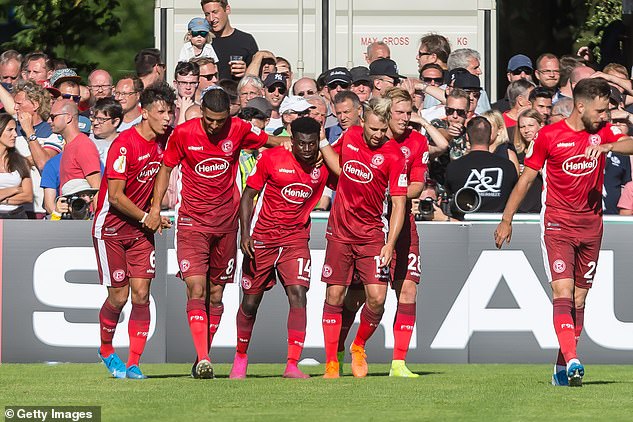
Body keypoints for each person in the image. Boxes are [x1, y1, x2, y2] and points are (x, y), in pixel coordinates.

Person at [494, 78, 633, 387]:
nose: (604, 116)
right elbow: (527, 179)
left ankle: (562, 366)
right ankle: (573, 359)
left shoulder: (603, 133)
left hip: (592, 225)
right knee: (563, 292)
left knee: (580, 299)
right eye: (599, 111)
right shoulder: (550, 136)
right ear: (580, 106)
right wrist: (506, 218)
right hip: (558, 224)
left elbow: (631, 144)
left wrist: (610, 145)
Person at [145, 87, 288, 379]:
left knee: (216, 294)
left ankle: (202, 356)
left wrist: (299, 145)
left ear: (229, 116)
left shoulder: (238, 129)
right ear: (202, 113)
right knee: (196, 288)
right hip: (192, 223)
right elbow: (165, 168)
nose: (213, 125)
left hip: (226, 223)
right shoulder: (183, 134)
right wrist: (155, 208)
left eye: (219, 120)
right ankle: (204, 357)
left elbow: (273, 141)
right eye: (209, 119)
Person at [336, 88, 429, 377]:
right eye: (399, 113)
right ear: (385, 116)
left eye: (408, 113)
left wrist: (395, 191)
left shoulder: (418, 142)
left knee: (408, 290)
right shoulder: (364, 140)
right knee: (354, 298)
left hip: (402, 226)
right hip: (366, 227)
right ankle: (338, 351)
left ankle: (398, 363)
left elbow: (416, 184)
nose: (404, 118)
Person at [229, 117, 329, 379]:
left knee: (299, 294)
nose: (307, 150)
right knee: (250, 303)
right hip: (263, 238)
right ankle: (240, 357)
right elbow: (248, 195)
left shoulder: (324, 165)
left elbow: (344, 174)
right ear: (291, 141)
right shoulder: (271, 159)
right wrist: (245, 233)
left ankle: (292, 364)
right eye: (302, 144)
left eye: (312, 144)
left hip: (296, 239)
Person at [318, 97, 408, 378]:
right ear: (363, 122)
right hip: (340, 231)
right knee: (334, 295)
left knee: (377, 298)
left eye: (383, 130)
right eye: (374, 129)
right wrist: (322, 142)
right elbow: (338, 166)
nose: (379, 135)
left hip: (371, 234)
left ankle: (358, 346)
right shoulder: (350, 136)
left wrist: (390, 243)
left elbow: (399, 205)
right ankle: (332, 361)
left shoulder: (395, 155)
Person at [92, 82, 175, 379]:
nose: (167, 118)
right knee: (119, 296)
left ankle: (134, 362)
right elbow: (115, 197)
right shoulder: (124, 144)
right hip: (111, 228)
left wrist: (154, 212)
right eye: (161, 112)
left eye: (170, 112)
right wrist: (146, 216)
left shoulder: (165, 142)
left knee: (142, 294)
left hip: (141, 229)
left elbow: (164, 172)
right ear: (144, 112)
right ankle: (105, 349)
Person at [445, 116, 517, 213]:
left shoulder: (454, 167)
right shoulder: (508, 166)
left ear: (467, 137)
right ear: (490, 135)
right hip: (499, 224)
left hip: (465, 225)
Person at [51, 99, 101, 191]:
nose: (49, 121)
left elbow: (96, 188)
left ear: (68, 118)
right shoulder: (69, 146)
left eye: (53, 117)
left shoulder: (83, 145)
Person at [202, 0, 258, 80]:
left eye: (215, 12)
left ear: (227, 9)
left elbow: (256, 80)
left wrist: (246, 72)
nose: (211, 18)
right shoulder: (203, 41)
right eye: (207, 14)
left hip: (236, 91)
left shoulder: (246, 40)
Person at [0, 113, 32, 218]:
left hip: (17, 215)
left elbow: (28, 196)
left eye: (15, 130)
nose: (15, 134)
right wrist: (15, 190)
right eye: (10, 130)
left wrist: (4, 199)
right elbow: (22, 191)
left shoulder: (21, 161)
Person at [90, 97, 123, 166]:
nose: (95, 123)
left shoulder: (125, 143)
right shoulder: (86, 140)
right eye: (94, 118)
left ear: (115, 122)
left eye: (101, 119)